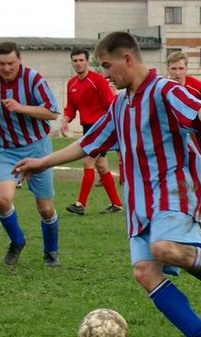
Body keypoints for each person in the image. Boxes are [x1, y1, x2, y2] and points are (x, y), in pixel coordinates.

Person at [13, 32, 201, 337]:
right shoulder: (120, 105)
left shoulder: (164, 90)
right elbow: (89, 143)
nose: (104, 74)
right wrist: (42, 161)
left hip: (174, 189)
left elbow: (199, 108)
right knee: (145, 271)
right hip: (140, 201)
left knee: (164, 248)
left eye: (106, 65)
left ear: (127, 59)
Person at [0, 41, 60, 267]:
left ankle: (51, 252)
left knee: (45, 208)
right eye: (1, 64)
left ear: (19, 59)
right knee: (2, 200)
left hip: (37, 149)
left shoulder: (32, 79)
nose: (6, 68)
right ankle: (17, 242)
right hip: (4, 150)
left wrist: (21, 107)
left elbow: (52, 112)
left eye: (11, 63)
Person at [60, 48, 122, 215]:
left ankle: (80, 204)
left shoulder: (98, 80)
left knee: (88, 162)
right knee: (101, 166)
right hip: (88, 128)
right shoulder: (71, 83)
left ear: (87, 61)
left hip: (100, 128)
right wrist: (65, 120)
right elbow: (71, 108)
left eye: (81, 60)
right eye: (75, 60)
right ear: (72, 62)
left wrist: (112, 127)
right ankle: (116, 204)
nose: (78, 63)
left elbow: (110, 104)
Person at [167, 51, 201, 162]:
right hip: (169, 136)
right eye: (174, 69)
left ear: (186, 69)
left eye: (181, 68)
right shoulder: (161, 88)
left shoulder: (198, 88)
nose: (177, 73)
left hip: (193, 134)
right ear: (168, 69)